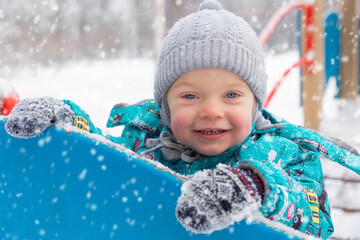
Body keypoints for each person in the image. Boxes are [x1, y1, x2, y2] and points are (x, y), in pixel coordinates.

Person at [4, 0, 360, 239]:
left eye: (232, 95)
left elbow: (316, 222)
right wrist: (68, 127)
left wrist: (255, 187)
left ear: (255, 105)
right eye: (190, 96)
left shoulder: (283, 153)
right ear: (166, 107)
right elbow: (106, 167)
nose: (211, 110)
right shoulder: (146, 139)